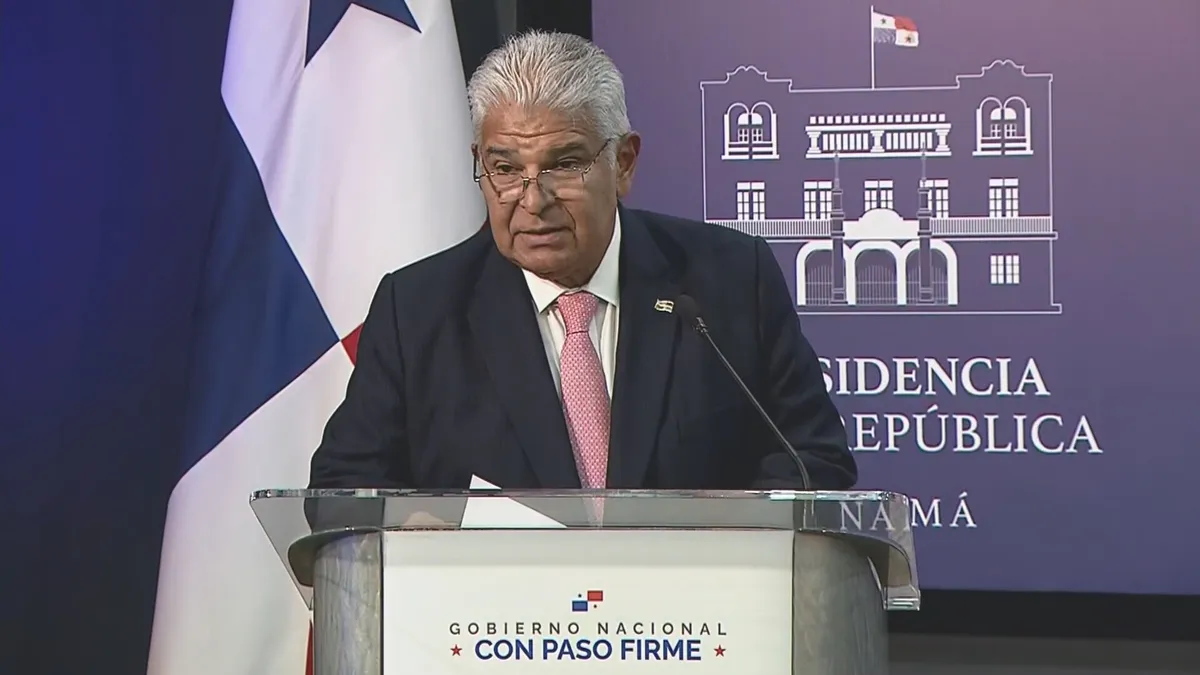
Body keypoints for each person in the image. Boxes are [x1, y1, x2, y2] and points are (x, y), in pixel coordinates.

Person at [306, 30, 855, 494]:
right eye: (505, 169)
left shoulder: (729, 280)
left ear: (623, 163)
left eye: (564, 164)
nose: (532, 200)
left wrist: (709, 550)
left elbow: (815, 462)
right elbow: (344, 490)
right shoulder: (418, 310)